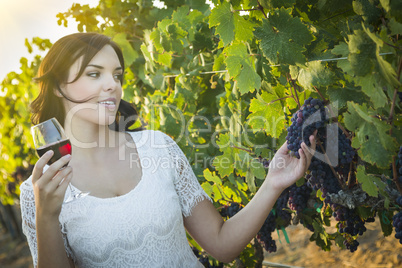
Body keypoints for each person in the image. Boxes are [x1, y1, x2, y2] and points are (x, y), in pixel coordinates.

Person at [20, 32, 316, 268]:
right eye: (95, 74)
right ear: (59, 86)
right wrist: (46, 217)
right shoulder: (39, 192)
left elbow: (222, 245)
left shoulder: (158, 147)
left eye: (117, 74)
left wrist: (273, 183)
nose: (112, 84)